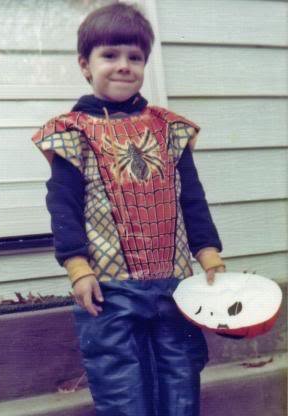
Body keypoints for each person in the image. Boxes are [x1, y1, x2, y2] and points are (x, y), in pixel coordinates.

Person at [32, 3, 225, 415]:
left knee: (181, 374)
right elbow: (62, 205)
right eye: (110, 55)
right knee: (120, 382)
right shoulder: (71, 133)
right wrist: (77, 269)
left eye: (134, 57)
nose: (124, 66)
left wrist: (208, 254)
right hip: (108, 286)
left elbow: (191, 196)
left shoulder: (169, 129)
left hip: (174, 283)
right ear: (85, 65)